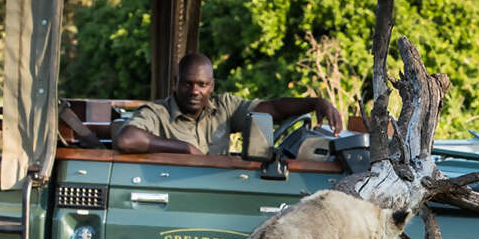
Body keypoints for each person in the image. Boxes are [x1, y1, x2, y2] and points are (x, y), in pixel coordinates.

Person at [112, 52, 340, 155]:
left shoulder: (225, 107)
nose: (194, 91)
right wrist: (184, 149)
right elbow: (127, 139)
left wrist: (316, 103)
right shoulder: (159, 112)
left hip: (218, 189)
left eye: (201, 85)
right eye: (187, 84)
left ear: (211, 86)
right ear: (176, 83)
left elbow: (274, 109)